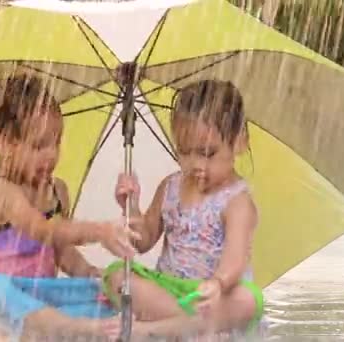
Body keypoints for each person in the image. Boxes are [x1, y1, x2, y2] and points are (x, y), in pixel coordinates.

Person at [0, 74, 138, 340]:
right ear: (3, 144)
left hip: (42, 299)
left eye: (56, 143)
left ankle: (79, 325)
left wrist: (90, 273)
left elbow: (61, 251)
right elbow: (43, 231)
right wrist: (100, 231)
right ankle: (70, 327)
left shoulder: (58, 192)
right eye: (39, 145)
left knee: (108, 291)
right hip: (0, 308)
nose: (51, 154)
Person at [104, 79, 264, 339]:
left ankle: (154, 329)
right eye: (185, 152)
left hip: (209, 293)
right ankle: (191, 325)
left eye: (208, 153)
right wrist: (131, 206)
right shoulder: (171, 186)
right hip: (170, 290)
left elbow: (235, 259)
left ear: (239, 142)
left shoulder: (237, 202)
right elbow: (143, 241)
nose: (196, 164)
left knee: (248, 299)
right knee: (116, 277)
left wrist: (218, 283)